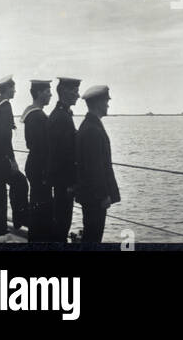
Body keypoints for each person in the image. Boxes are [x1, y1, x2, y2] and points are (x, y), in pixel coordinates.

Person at [0, 75, 30, 242]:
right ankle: (20, 219)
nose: (15, 91)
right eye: (13, 88)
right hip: (1, 157)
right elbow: (5, 136)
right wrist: (12, 160)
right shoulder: (5, 106)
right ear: (7, 89)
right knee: (20, 182)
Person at [74, 85, 119, 244]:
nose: (108, 104)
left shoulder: (89, 125)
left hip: (90, 194)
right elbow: (95, 168)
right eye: (106, 101)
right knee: (93, 236)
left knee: (91, 234)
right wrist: (103, 195)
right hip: (94, 197)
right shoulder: (92, 129)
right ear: (98, 102)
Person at [48, 77, 80, 242]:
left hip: (60, 180)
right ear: (65, 92)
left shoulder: (61, 114)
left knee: (60, 221)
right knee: (62, 222)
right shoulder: (62, 118)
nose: (78, 95)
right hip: (64, 182)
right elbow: (64, 155)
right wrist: (71, 183)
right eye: (75, 91)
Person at [23, 79, 55, 242]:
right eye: (48, 91)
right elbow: (41, 146)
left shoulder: (34, 114)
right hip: (40, 167)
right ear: (39, 93)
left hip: (35, 164)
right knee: (42, 209)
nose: (50, 94)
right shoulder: (37, 116)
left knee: (38, 205)